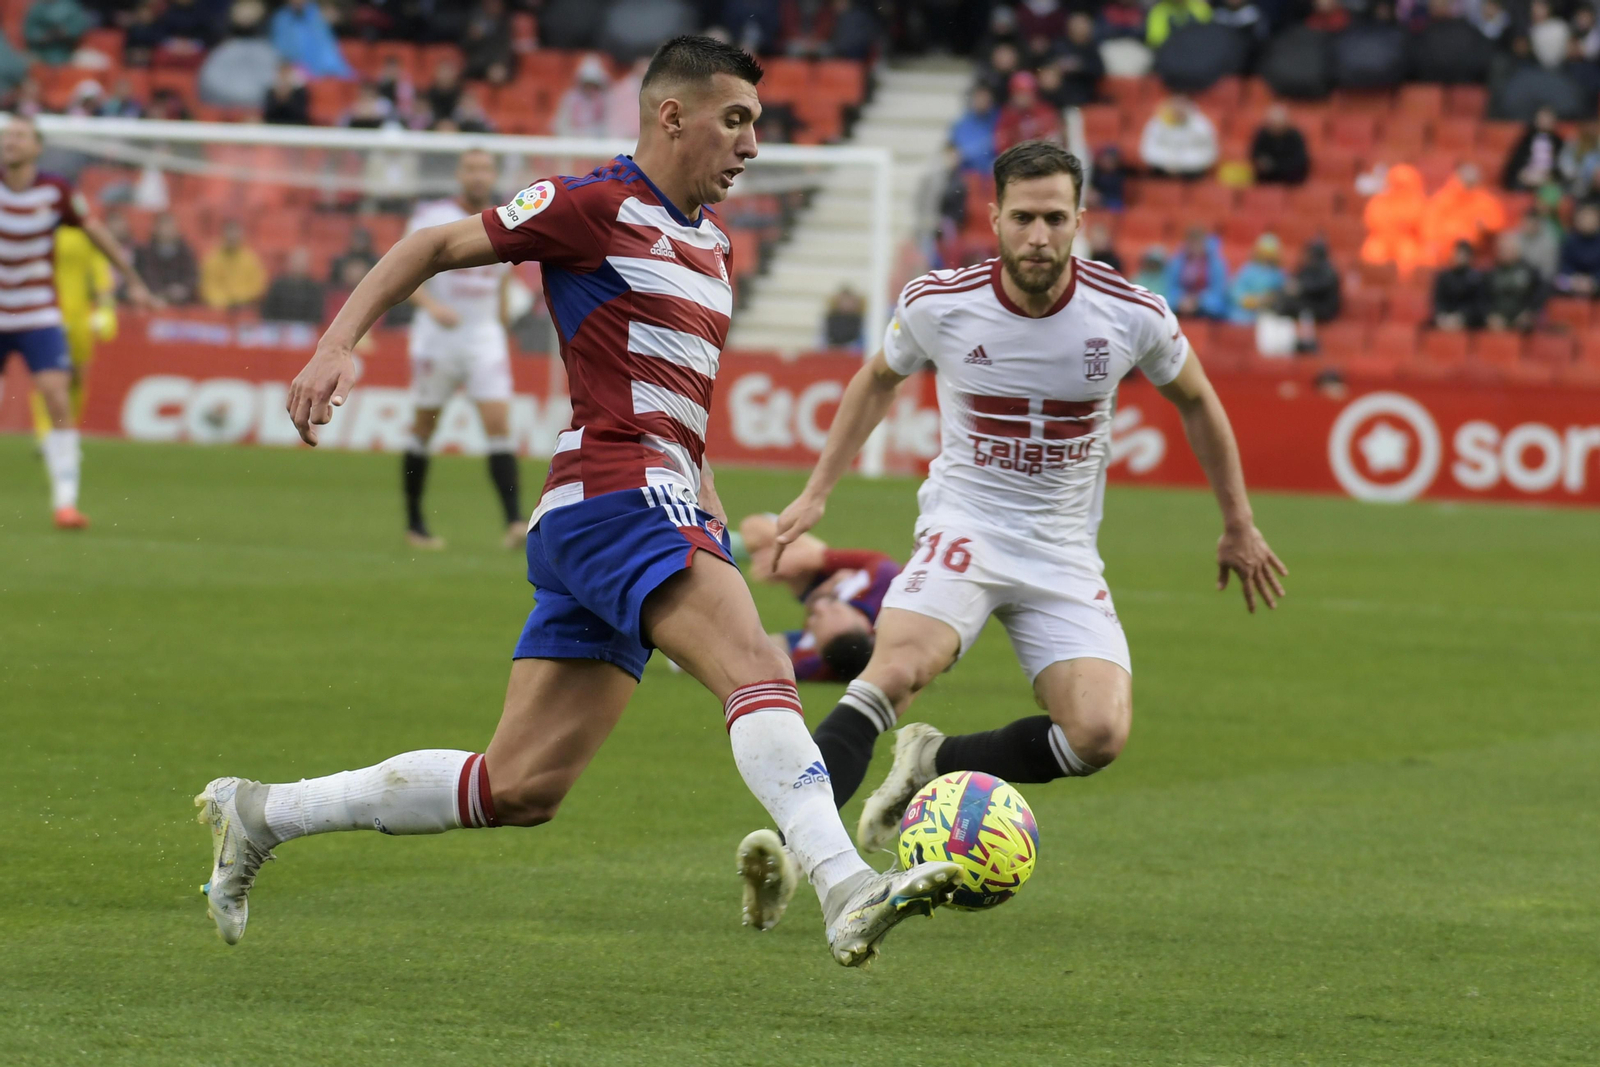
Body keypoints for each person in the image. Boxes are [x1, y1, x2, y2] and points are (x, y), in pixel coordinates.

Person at [199, 36, 961, 966]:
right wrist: (337, 344)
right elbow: (432, 244)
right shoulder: (593, 205)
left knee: (517, 785)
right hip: (614, 493)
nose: (753, 144)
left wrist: (711, 512)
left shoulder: (715, 246)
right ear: (671, 116)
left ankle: (264, 812)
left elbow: (682, 411)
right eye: (737, 120)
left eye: (756, 124)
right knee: (760, 661)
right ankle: (848, 887)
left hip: (638, 499)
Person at [738, 141, 1286, 919]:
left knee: (1097, 734)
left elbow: (1197, 400)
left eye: (1055, 218)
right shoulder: (940, 302)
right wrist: (819, 490)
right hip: (966, 527)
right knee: (894, 670)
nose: (1038, 235)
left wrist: (1239, 522)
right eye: (1023, 217)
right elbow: (877, 379)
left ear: (1079, 220)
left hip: (1062, 551)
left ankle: (934, 760)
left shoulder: (1129, 313)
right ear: (993, 218)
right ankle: (797, 855)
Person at [0, 118, 152, 530]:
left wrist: (132, 279)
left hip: (35, 312)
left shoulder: (55, 191)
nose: (9, 142)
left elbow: (95, 231)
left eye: (18, 136)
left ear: (37, 148)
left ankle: (65, 502)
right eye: (6, 136)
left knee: (57, 396)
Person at [398, 150, 523, 550]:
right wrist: (433, 307)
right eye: (471, 168)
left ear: (493, 174)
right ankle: (416, 525)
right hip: (438, 337)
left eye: (485, 167)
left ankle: (514, 523)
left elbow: (503, 278)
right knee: (424, 427)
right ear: (459, 174)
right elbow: (400, 272)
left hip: (484, 337)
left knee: (498, 424)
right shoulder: (431, 218)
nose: (478, 175)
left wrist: (503, 324)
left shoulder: (509, 217)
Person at [739, 514, 900, 683]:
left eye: (815, 617)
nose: (819, 607)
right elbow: (878, 560)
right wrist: (806, 560)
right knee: (757, 529)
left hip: (816, 590)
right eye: (835, 609)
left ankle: (726, 546)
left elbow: (792, 664)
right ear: (866, 625)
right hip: (829, 573)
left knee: (746, 651)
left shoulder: (812, 659)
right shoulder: (881, 589)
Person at [30, 223, 113, 442]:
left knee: (77, 376)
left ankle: (66, 431)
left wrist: (106, 310)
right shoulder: (42, 232)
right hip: (49, 314)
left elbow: (101, 276)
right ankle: (45, 433)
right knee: (49, 377)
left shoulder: (87, 233)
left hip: (79, 318)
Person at [1423, 163, 1506, 264]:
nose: (1468, 184)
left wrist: (1485, 225)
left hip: (1470, 246)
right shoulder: (1443, 198)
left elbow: (1497, 222)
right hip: (1443, 243)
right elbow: (1430, 221)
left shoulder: (1485, 200)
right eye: (1465, 180)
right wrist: (1432, 240)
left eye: (1471, 181)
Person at [1361, 163, 1428, 276]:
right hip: (1382, 239)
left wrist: (1402, 225)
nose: (1398, 188)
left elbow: (1420, 225)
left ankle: (1404, 288)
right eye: (1396, 184)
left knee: (1409, 256)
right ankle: (1376, 283)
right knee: (1372, 252)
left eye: (1402, 185)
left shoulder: (1418, 202)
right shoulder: (1379, 201)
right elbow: (1371, 221)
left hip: (1406, 240)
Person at [1139, 96, 1218, 179]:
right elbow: (1148, 148)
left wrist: (1182, 165)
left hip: (1192, 171)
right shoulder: (1157, 123)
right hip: (1162, 169)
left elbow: (1209, 153)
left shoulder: (1202, 126)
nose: (1178, 111)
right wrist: (1167, 163)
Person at [270, 0, 352, 79]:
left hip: (323, 67)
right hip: (294, 67)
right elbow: (280, 48)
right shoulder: (280, 19)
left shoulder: (318, 14)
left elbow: (327, 46)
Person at [200, 219, 266, 310]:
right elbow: (208, 287)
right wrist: (223, 301)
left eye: (235, 234)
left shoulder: (251, 260)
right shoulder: (212, 259)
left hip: (245, 307)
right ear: (223, 235)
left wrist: (239, 298)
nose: (232, 237)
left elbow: (258, 286)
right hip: (219, 309)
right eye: (229, 233)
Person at [1166, 225, 1231, 318]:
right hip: (1182, 304)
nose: (1195, 246)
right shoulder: (1177, 262)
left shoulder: (1216, 263)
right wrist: (1181, 300)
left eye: (1198, 242)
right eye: (1192, 242)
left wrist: (1199, 301)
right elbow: (1171, 287)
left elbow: (1218, 290)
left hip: (1207, 306)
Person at [1483, 230, 1543, 328]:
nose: (1503, 252)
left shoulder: (1529, 270)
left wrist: (1529, 312)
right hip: (1497, 322)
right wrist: (1489, 315)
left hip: (1522, 321)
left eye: (1507, 249)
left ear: (1517, 250)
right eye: (1501, 249)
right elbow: (1482, 298)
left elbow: (1539, 293)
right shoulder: (1489, 272)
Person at [994, 71, 1063, 154]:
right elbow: (1001, 145)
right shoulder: (1007, 115)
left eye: (1026, 93)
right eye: (1019, 94)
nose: (1023, 98)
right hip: (1017, 160)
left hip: (1043, 159)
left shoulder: (1045, 111)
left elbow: (1054, 139)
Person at [137, 212, 198, 305]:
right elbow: (146, 276)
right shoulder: (146, 252)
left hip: (182, 305)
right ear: (155, 228)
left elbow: (192, 276)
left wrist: (183, 289)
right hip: (154, 301)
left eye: (169, 226)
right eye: (163, 226)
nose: (166, 230)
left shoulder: (186, 252)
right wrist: (161, 293)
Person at [1227, 233, 1285, 325]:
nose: (1267, 258)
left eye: (1270, 255)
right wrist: (1249, 300)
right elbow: (1236, 290)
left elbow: (1281, 292)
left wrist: (1270, 299)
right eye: (1264, 254)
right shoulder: (1248, 270)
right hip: (1245, 313)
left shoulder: (1278, 274)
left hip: (1268, 313)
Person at [1502, 106, 1564, 191]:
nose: (1544, 121)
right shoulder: (1526, 139)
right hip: (1528, 175)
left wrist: (1550, 176)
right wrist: (1522, 174)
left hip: (1547, 178)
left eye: (1548, 118)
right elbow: (1517, 161)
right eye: (1542, 118)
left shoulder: (1558, 142)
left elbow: (1561, 166)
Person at [260, 247, 327, 325]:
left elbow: (316, 314)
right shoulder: (278, 285)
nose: (298, 265)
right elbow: (268, 310)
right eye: (295, 261)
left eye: (302, 262)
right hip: (278, 328)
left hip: (305, 329)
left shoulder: (314, 288)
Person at [554, 54, 611, 138]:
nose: (590, 88)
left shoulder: (604, 100)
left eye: (593, 84)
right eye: (587, 84)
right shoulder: (570, 99)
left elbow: (608, 127)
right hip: (573, 140)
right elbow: (561, 125)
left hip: (596, 141)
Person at [1250, 104, 1309, 186]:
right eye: (1272, 123)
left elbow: (1299, 162)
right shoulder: (1263, 135)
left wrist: (1275, 166)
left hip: (1290, 181)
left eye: (1278, 124)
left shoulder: (1295, 137)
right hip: (1266, 180)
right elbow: (1255, 155)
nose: (1275, 127)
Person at [1431, 240, 1484, 330]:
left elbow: (1477, 305)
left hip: (1467, 324)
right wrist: (1442, 317)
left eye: (1462, 254)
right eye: (1457, 253)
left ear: (1469, 257)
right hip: (1445, 322)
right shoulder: (1444, 277)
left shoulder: (1477, 279)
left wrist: (1461, 318)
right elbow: (1438, 301)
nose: (1458, 257)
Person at [948, 84, 999, 174]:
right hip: (967, 174)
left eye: (985, 98)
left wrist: (965, 154)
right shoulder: (962, 123)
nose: (982, 101)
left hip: (992, 172)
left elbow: (999, 142)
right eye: (978, 97)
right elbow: (952, 148)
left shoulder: (999, 119)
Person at [23, 0, 92, 65]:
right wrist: (43, 36)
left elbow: (80, 25)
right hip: (41, 52)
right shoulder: (37, 8)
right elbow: (29, 31)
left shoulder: (70, 6)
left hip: (70, 50)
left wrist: (66, 31)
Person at [1555, 201, 1600, 297]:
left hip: (1595, 282)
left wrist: (1592, 281)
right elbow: (1564, 265)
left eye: (1591, 218)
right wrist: (1575, 280)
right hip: (1573, 281)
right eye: (1584, 218)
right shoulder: (1569, 240)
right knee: (1557, 282)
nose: (1588, 221)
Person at [1516, 206, 1560, 280]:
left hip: (1540, 279)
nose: (1529, 226)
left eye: (1532, 223)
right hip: (1519, 275)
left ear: (1539, 224)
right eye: (1527, 222)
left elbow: (1548, 273)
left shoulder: (1549, 242)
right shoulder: (1515, 236)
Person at [1146, 0, 1211, 48]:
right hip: (1174, 54)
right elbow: (1156, 41)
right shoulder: (1159, 11)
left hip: (1199, 48)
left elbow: (1210, 30)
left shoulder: (1199, 6)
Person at [821, 284, 865, 348]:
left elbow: (862, 341)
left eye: (849, 301)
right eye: (843, 301)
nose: (846, 304)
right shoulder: (830, 319)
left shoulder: (861, 320)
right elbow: (823, 341)